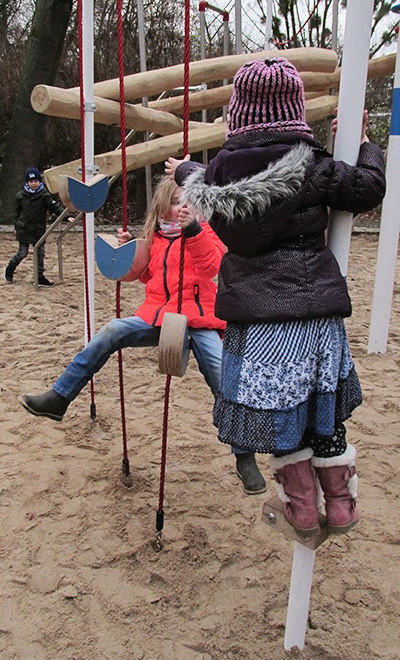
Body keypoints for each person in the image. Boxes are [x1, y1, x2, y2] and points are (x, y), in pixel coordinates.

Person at [166, 57, 386, 536]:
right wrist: (367, 147)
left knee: (282, 417)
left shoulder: (217, 175)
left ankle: (301, 509)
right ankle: (342, 505)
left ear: (238, 113)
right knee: (322, 416)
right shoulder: (314, 167)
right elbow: (368, 188)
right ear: (295, 111)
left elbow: (207, 182)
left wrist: (185, 170)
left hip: (257, 323)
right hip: (312, 313)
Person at [18, 175, 267, 494]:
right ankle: (59, 398)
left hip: (199, 318)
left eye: (189, 201)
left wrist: (193, 230)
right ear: (162, 206)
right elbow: (147, 276)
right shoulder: (155, 239)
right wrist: (130, 251)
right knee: (112, 330)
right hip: (159, 315)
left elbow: (212, 267)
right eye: (176, 202)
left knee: (223, 376)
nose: (184, 207)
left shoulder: (206, 231)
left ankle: (245, 457)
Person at [4, 166, 71, 287]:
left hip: (38, 230)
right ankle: (10, 269)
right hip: (24, 229)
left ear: (40, 182)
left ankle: (39, 276)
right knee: (22, 253)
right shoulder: (20, 196)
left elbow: (54, 207)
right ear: (27, 183)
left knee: (40, 254)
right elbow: (17, 213)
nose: (34, 184)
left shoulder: (44, 195)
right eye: (31, 181)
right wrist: (16, 227)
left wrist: (66, 216)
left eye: (36, 181)